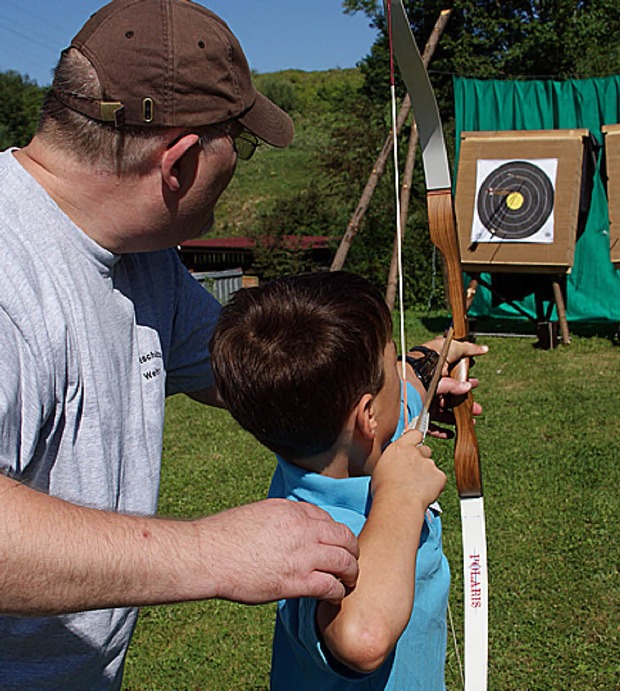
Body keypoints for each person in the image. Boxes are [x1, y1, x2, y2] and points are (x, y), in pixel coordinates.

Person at [0, 1, 361, 688]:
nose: (240, 167)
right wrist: (209, 551)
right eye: (241, 145)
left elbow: (257, 368)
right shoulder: (10, 276)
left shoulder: (143, 258)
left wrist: (402, 373)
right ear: (183, 160)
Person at [210, 271, 488, 689]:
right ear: (367, 416)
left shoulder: (310, 449)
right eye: (391, 367)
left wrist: (424, 361)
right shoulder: (309, 532)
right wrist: (399, 498)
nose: (401, 373)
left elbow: (401, 391)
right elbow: (362, 640)